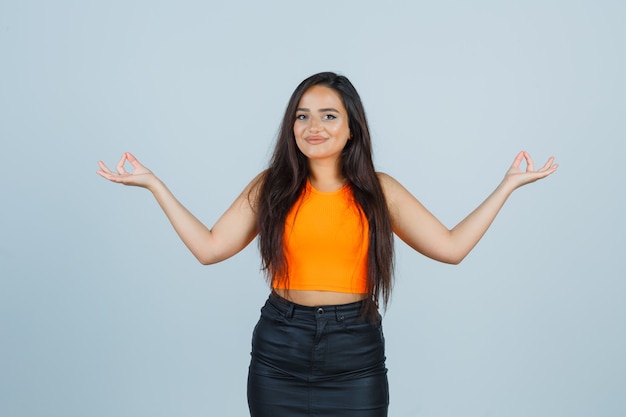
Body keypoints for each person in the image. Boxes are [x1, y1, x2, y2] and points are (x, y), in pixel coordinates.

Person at [96, 71, 558, 416]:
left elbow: (452, 247)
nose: (313, 126)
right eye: (302, 116)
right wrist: (154, 184)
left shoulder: (380, 191)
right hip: (280, 350)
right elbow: (210, 248)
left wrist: (507, 185)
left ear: (351, 127)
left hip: (355, 354)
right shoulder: (271, 187)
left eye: (328, 115)